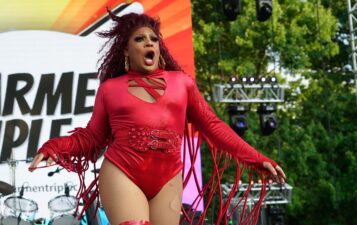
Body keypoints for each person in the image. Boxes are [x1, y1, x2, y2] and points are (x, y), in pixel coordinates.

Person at [28, 11, 286, 225]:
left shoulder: (182, 83)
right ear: (126, 51)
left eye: (153, 38)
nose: (149, 43)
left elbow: (213, 126)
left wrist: (257, 159)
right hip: (122, 172)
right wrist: (55, 147)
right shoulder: (110, 89)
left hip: (168, 177)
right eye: (140, 39)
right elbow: (92, 137)